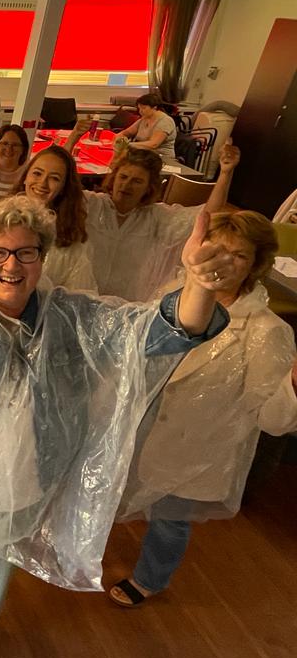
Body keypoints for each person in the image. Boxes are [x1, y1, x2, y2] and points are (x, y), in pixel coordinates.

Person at [0, 194, 230, 658]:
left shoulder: (71, 317)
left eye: (25, 252)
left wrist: (198, 284)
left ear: (43, 257)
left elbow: (156, 333)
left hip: (21, 484)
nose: (10, 265)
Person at [110, 211, 297, 608]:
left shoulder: (267, 332)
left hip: (194, 451)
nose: (223, 262)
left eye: (239, 255)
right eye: (218, 249)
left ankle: (150, 579)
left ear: (256, 265)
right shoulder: (177, 292)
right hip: (144, 424)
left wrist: (294, 386)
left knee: (169, 520)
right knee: (117, 491)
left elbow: (273, 420)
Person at [86, 143, 239, 301]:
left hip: (127, 304)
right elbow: (68, 192)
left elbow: (208, 215)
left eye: (137, 181)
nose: (126, 185)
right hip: (84, 298)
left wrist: (225, 173)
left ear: (148, 188)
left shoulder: (157, 217)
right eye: (123, 177)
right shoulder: (92, 205)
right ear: (114, 178)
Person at [13, 145, 96, 290]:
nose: (43, 183)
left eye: (54, 178)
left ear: (64, 188)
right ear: (25, 177)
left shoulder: (71, 243)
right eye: (37, 173)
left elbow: (79, 296)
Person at [115, 93, 178, 162]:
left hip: (160, 158)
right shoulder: (144, 118)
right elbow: (127, 132)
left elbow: (153, 144)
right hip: (144, 155)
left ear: (154, 107)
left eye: (143, 108)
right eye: (139, 108)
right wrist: (116, 138)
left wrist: (127, 145)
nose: (140, 111)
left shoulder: (165, 121)